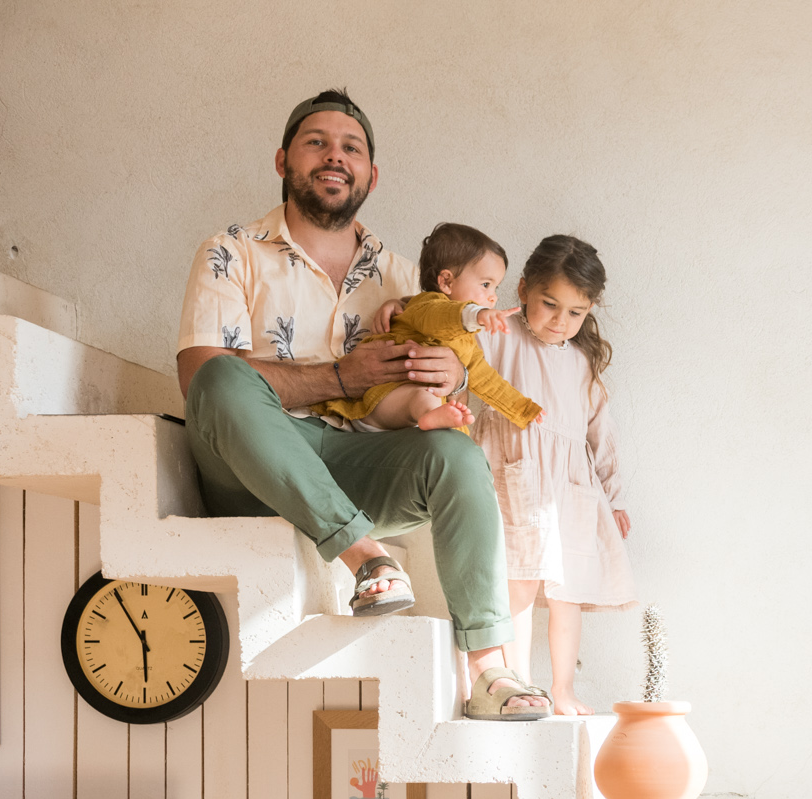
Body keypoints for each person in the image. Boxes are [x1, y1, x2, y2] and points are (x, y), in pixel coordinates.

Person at [175, 89, 548, 719]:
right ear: (283, 160)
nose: (334, 156)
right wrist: (340, 378)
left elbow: (449, 362)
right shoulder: (230, 251)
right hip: (253, 465)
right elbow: (199, 379)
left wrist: (454, 371)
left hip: (359, 463)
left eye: (351, 148)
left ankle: (490, 670)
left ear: (371, 175)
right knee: (221, 377)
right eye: (316, 142)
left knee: (456, 456)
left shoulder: (404, 277)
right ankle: (366, 556)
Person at [468, 234, 635, 716]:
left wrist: (613, 498)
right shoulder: (498, 333)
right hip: (514, 474)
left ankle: (563, 688)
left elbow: (601, 435)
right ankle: (516, 681)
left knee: (568, 594)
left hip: (571, 488)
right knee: (519, 581)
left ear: (589, 311)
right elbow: (450, 339)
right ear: (523, 289)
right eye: (549, 304)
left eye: (575, 312)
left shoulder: (582, 362)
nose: (561, 321)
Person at [314, 222, 543, 435]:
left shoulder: (467, 344)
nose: (493, 297)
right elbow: (442, 317)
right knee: (423, 396)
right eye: (485, 285)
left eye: (495, 288)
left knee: (452, 424)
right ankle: (431, 416)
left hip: (409, 417)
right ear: (446, 282)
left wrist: (523, 409)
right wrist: (476, 314)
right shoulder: (425, 306)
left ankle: (437, 421)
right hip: (382, 399)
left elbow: (487, 380)